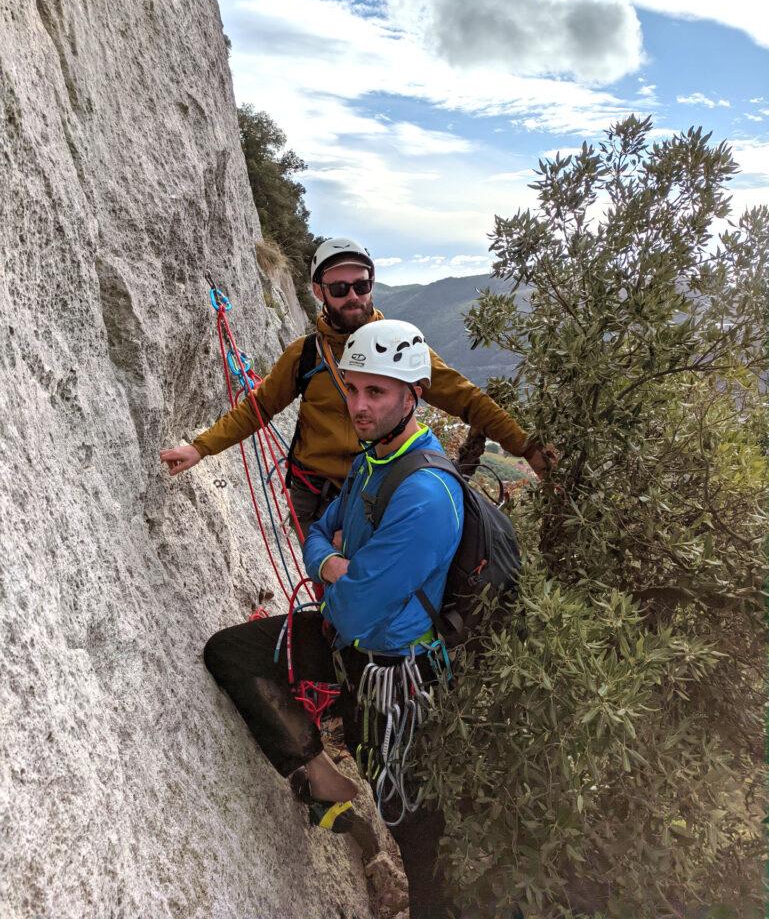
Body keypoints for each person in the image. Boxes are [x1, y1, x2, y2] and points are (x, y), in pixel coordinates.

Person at [203, 320, 466, 919]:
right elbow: (321, 531)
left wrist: (338, 572)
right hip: (349, 645)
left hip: (394, 677)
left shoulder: (425, 493)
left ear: (412, 395)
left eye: (377, 392)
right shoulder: (374, 460)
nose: (359, 405)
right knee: (232, 652)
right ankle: (321, 775)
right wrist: (334, 563)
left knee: (412, 827)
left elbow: (351, 607)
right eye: (353, 389)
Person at [160, 238, 553, 536]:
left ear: (371, 285)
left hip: (376, 492)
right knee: (328, 581)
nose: (353, 296)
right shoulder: (306, 355)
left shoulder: (399, 349)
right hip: (314, 494)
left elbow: (467, 399)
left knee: (366, 587)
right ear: (318, 292)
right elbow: (258, 408)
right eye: (339, 288)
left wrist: (526, 447)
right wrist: (201, 447)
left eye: (361, 286)